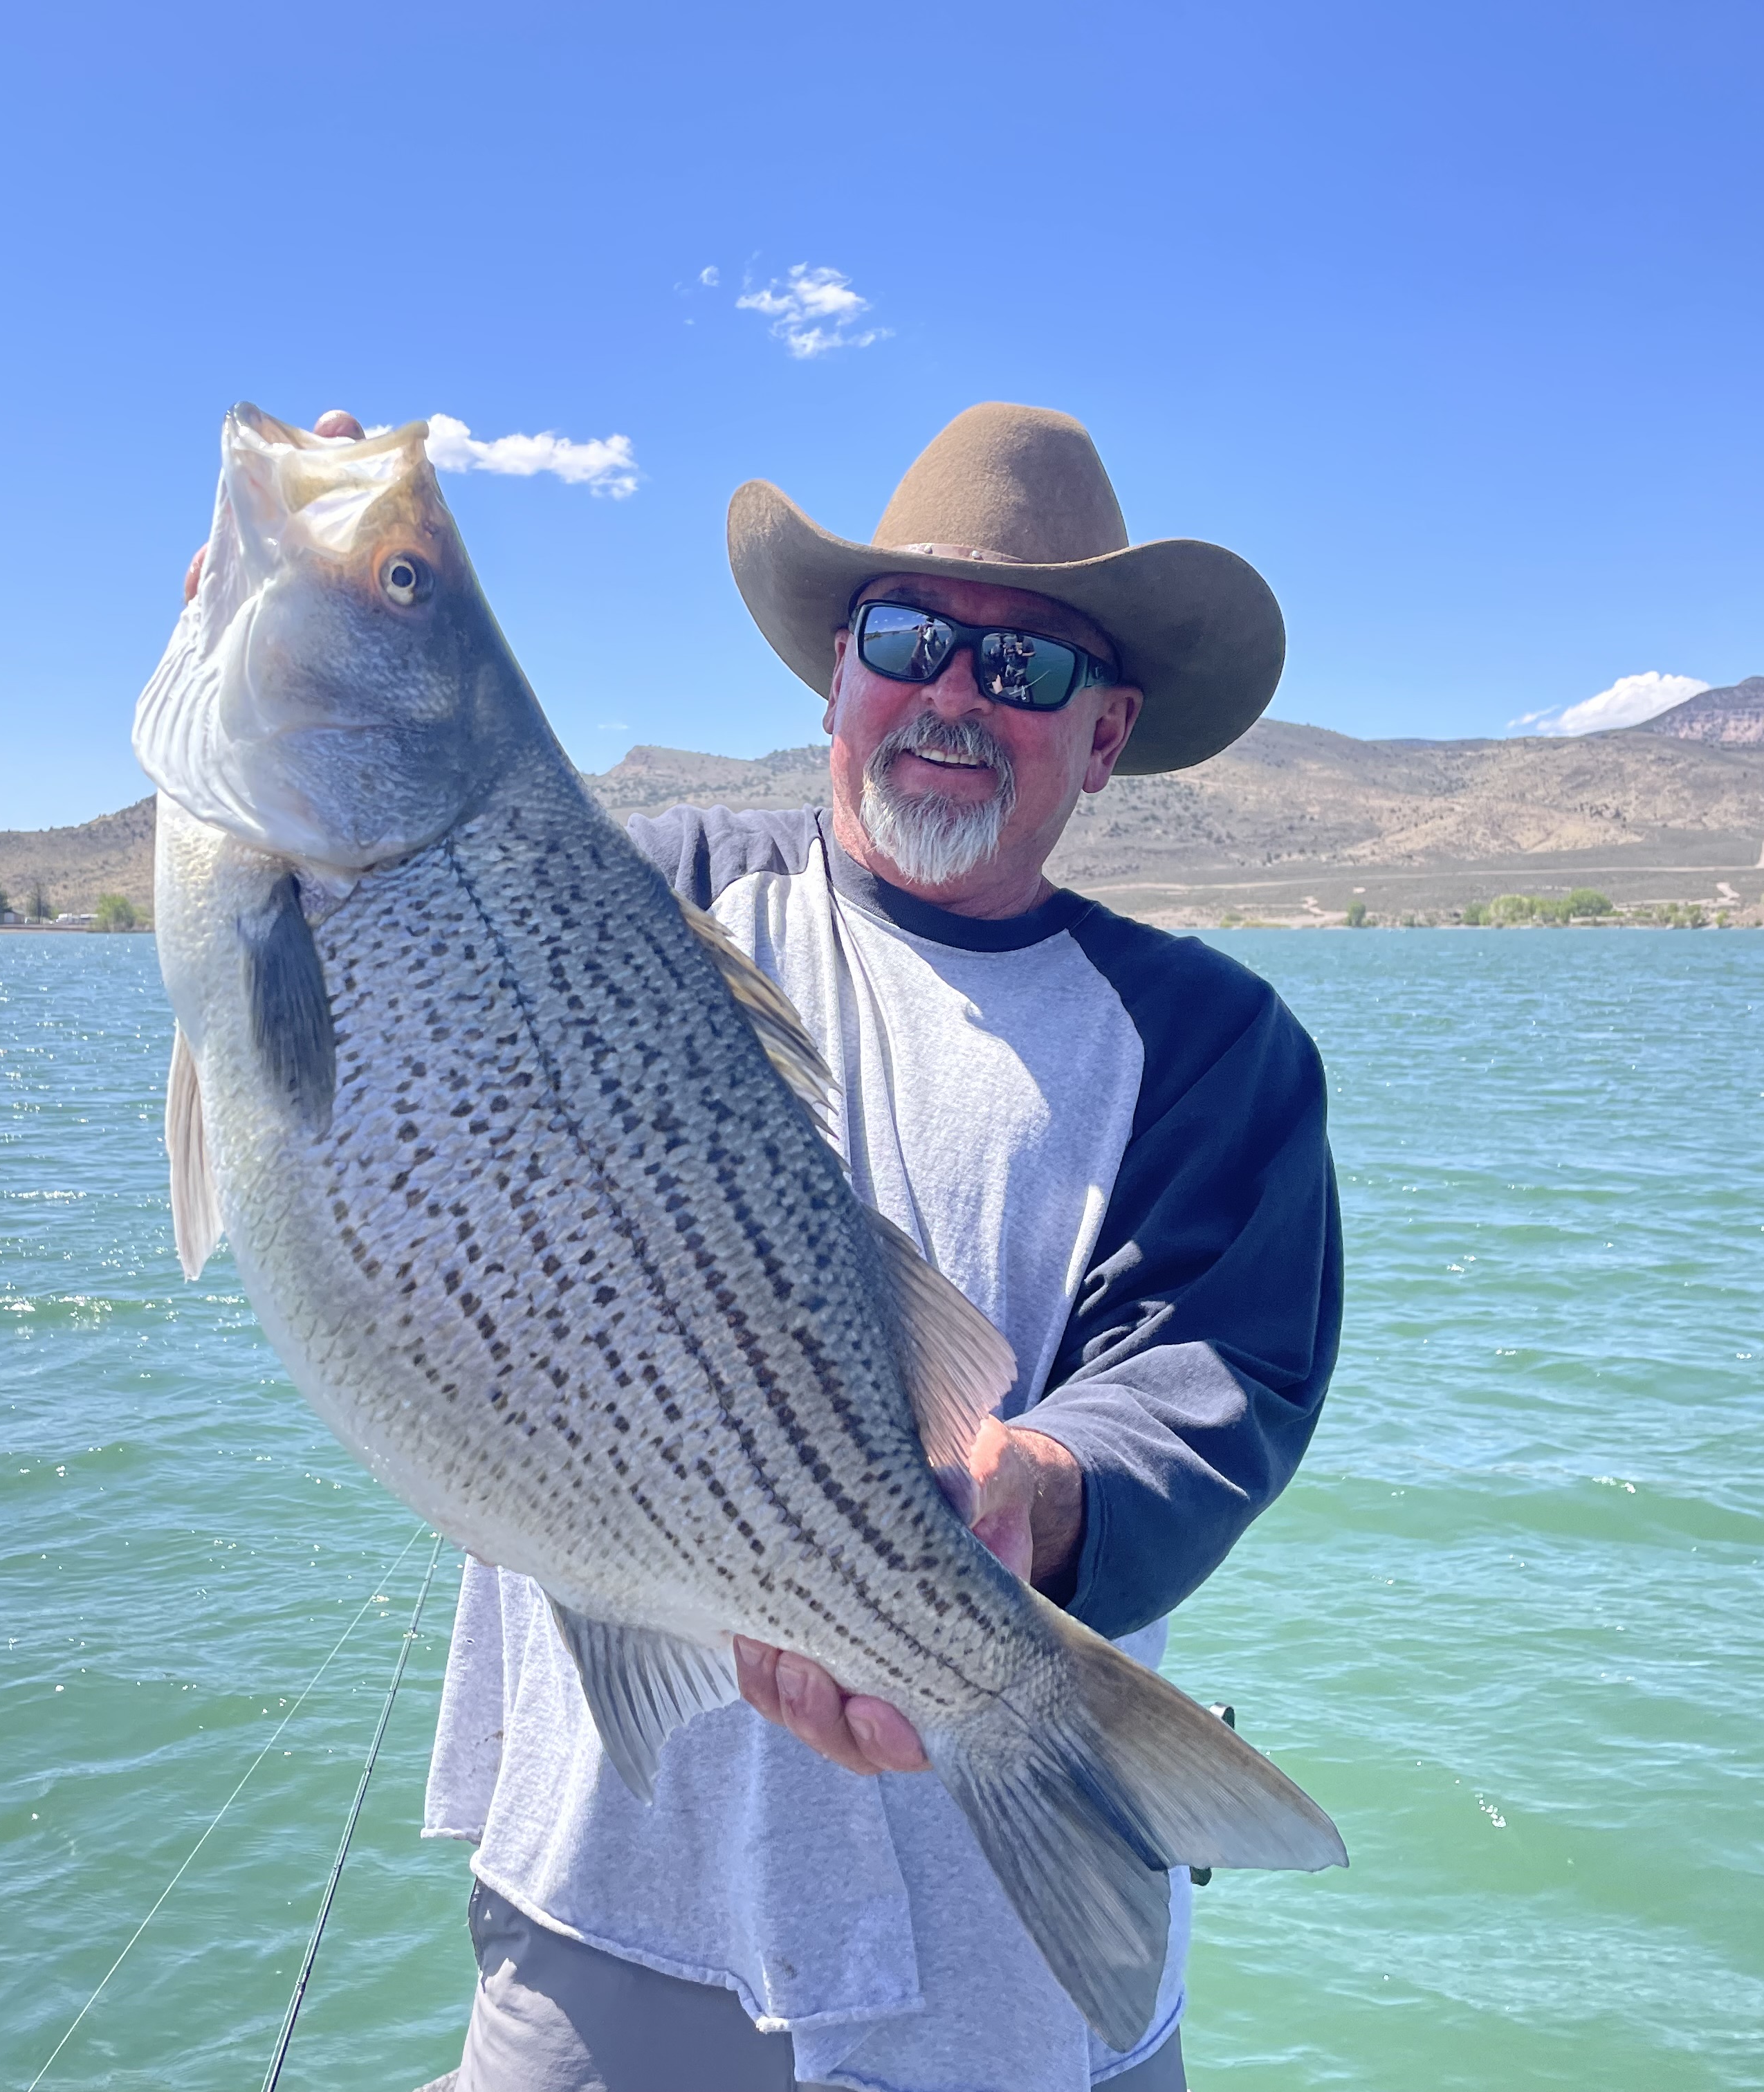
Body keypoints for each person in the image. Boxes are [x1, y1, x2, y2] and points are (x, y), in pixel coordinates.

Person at [193, 403, 1341, 2092]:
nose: (954, 691)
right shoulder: (634, 888)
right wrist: (316, 599)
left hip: (996, 1983)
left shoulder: (1215, 1043)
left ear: (1105, 738)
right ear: (836, 678)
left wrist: (1043, 1488)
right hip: (607, 1894)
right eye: (907, 637)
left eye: (1025, 668)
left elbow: (1220, 1378)